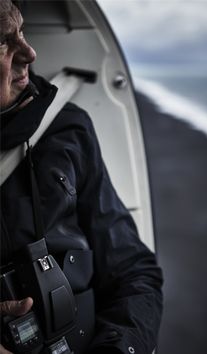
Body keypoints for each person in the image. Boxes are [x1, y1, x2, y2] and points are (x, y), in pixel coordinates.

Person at [0, 1, 163, 353]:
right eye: (2, 42)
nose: (29, 53)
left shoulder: (66, 128)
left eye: (22, 32)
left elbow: (134, 272)